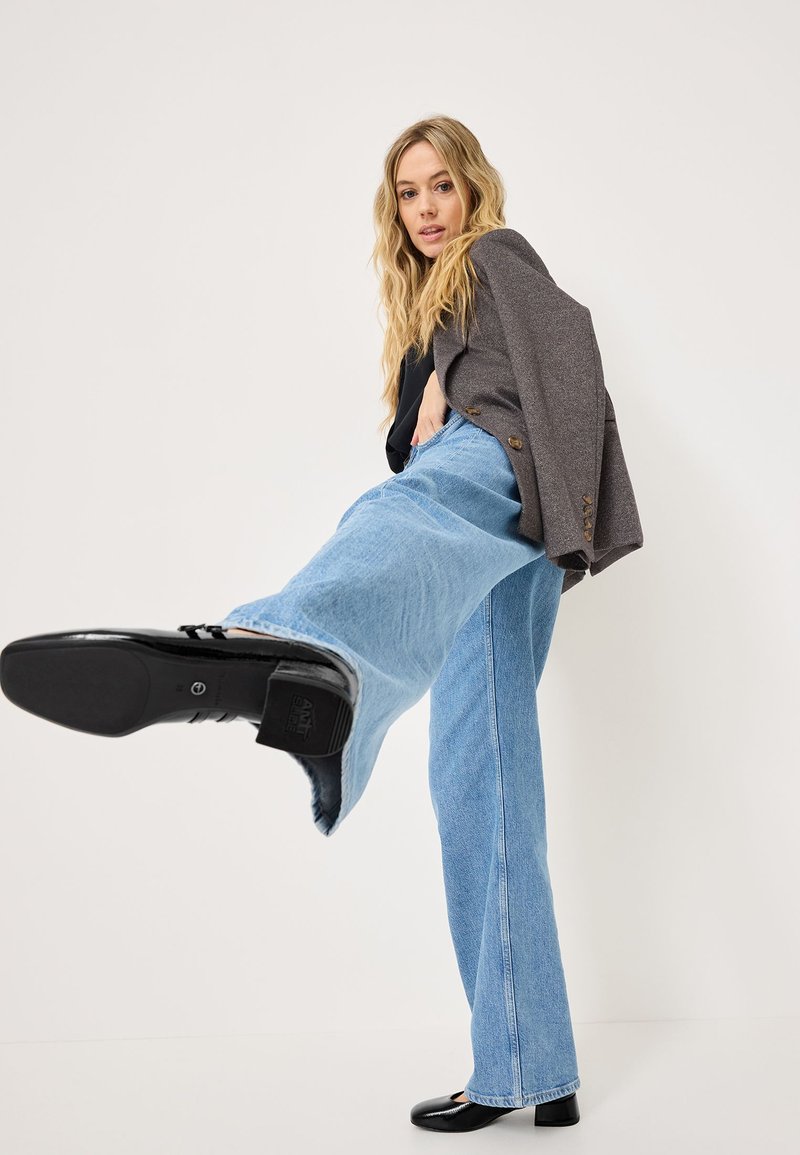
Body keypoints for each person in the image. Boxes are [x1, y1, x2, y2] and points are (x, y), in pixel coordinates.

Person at [1, 115, 646, 1132]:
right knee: (480, 784)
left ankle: (272, 647)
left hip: (499, 471)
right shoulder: (431, 313)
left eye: (442, 185)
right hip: (510, 536)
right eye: (409, 192)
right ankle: (531, 1062)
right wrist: (438, 392)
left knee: (394, 515)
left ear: (474, 187)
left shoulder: (495, 252)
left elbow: (566, 346)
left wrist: (558, 494)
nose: (427, 208)